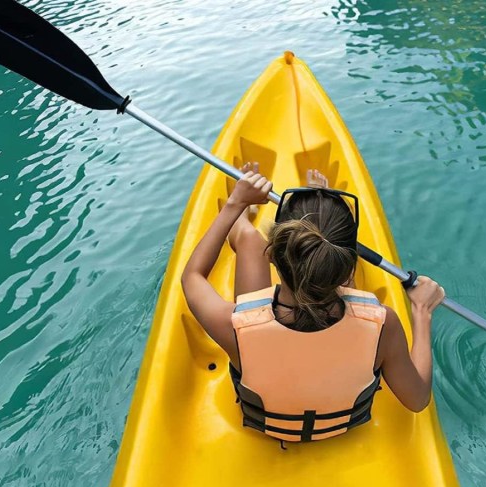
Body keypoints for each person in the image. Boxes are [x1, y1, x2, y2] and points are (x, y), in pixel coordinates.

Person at [181, 163, 445, 443]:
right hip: (341, 427)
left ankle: (243, 220)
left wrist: (235, 203)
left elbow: (192, 277)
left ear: (271, 255)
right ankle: (303, 230)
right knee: (341, 298)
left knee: (248, 238)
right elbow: (417, 400)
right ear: (348, 271)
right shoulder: (383, 323)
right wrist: (421, 311)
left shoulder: (233, 324)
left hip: (268, 427)